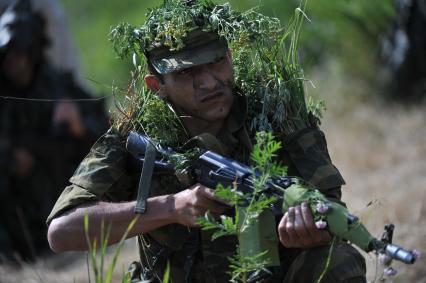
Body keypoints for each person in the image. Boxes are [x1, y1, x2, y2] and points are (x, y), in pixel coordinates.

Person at [47, 1, 366, 282]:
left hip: (273, 275)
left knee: (338, 261)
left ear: (230, 56)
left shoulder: (279, 118)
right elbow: (61, 232)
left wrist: (309, 233)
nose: (209, 82)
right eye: (187, 74)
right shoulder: (133, 135)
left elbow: (330, 209)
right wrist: (170, 207)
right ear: (157, 85)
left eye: (216, 63)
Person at [0, 0, 108, 262]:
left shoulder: (57, 85)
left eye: (21, 54)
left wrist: (79, 126)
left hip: (58, 198)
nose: (16, 63)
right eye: (8, 56)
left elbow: (107, 134)